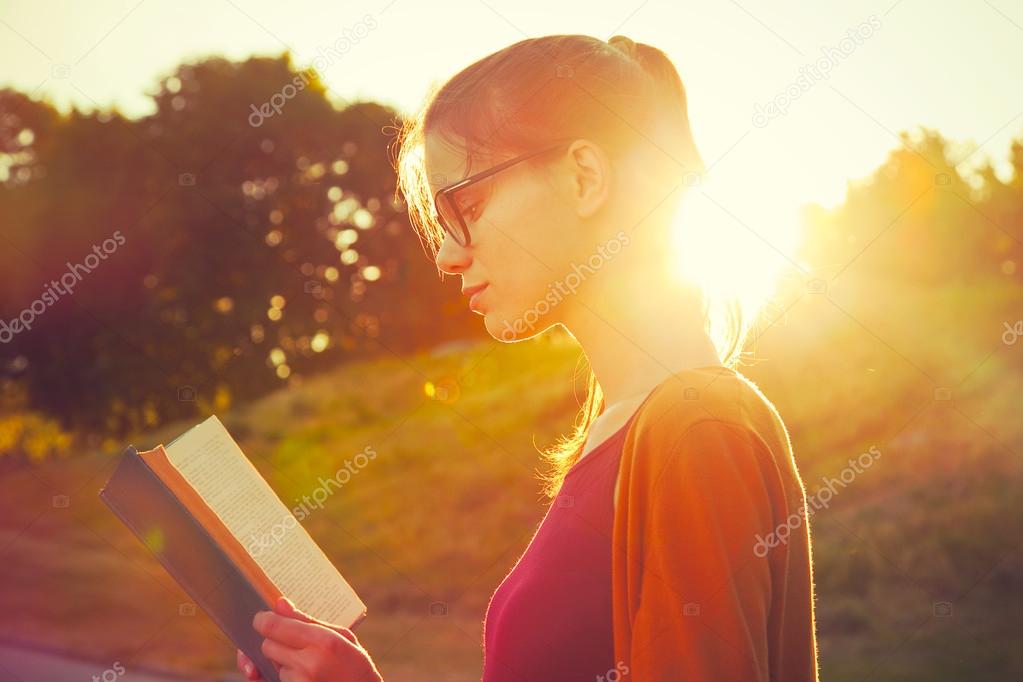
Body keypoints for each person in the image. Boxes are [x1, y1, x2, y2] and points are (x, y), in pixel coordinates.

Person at [239, 33, 819, 681]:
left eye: (468, 206)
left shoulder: (696, 431)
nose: (446, 255)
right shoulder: (623, 426)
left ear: (583, 177)